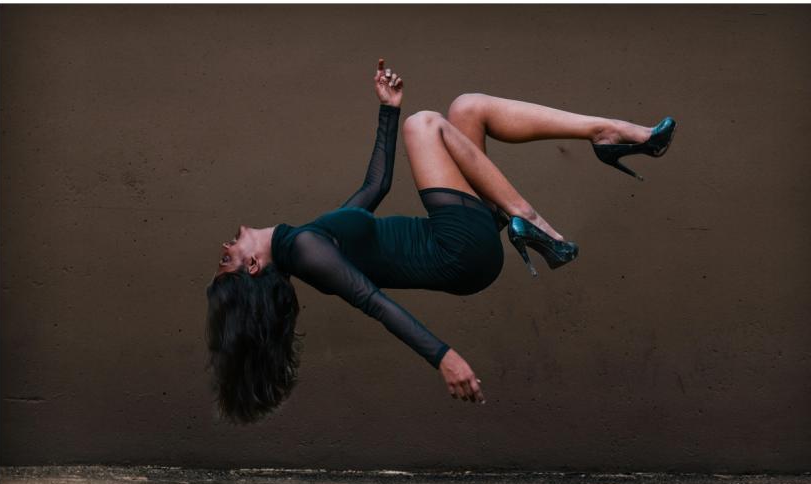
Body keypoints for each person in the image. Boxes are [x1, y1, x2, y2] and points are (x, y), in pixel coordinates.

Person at [205, 58, 676, 424]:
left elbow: (374, 190)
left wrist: (388, 110)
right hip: (459, 251)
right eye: (226, 262)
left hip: (463, 241)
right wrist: (444, 357)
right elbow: (373, 302)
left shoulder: (307, 241)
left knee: (468, 108)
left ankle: (605, 133)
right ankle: (529, 220)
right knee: (425, 125)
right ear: (251, 268)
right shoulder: (306, 252)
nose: (223, 252)